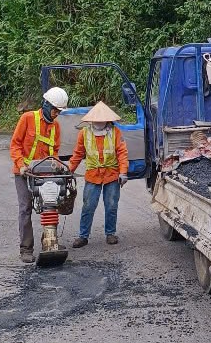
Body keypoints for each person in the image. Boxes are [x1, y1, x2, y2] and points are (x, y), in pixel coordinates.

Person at [10, 87, 69, 263]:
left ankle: (49, 241)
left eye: (59, 111)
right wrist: (21, 165)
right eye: (55, 110)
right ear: (46, 105)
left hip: (45, 174)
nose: (57, 114)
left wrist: (59, 166)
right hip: (24, 172)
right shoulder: (27, 119)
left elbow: (55, 152)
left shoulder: (55, 127)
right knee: (25, 208)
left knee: (51, 205)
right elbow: (15, 145)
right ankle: (26, 249)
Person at [68, 101, 129, 247]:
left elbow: (122, 153)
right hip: (93, 175)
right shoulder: (84, 133)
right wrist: (69, 170)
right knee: (88, 206)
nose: (100, 121)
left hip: (111, 175)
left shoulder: (115, 132)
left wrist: (123, 172)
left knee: (111, 205)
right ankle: (83, 236)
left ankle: (110, 234)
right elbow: (78, 154)